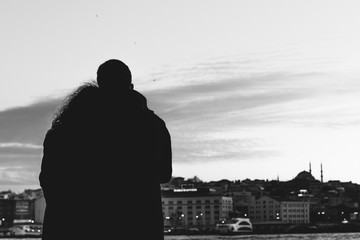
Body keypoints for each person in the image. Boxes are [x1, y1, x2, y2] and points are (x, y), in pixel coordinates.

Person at [39, 59, 172, 240]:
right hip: (138, 225)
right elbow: (164, 174)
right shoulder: (154, 126)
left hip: (74, 226)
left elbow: (49, 180)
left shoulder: (65, 130)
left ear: (100, 84)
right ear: (130, 86)